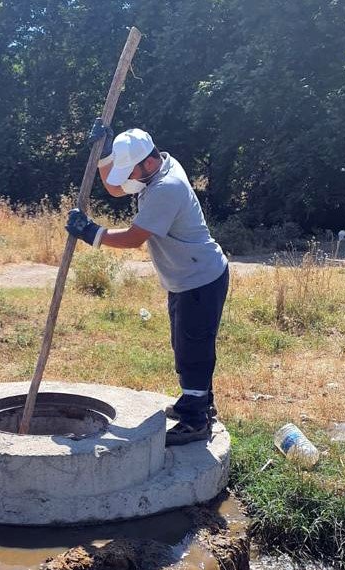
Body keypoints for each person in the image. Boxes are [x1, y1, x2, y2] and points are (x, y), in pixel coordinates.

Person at [65, 120, 229, 446]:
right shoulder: (153, 170)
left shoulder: (167, 187)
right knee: (184, 344)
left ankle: (196, 421)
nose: (128, 177)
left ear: (149, 163)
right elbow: (115, 187)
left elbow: (133, 238)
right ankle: (198, 403)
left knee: (193, 348)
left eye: (130, 170)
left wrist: (90, 233)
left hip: (200, 279)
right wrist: (103, 155)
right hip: (185, 278)